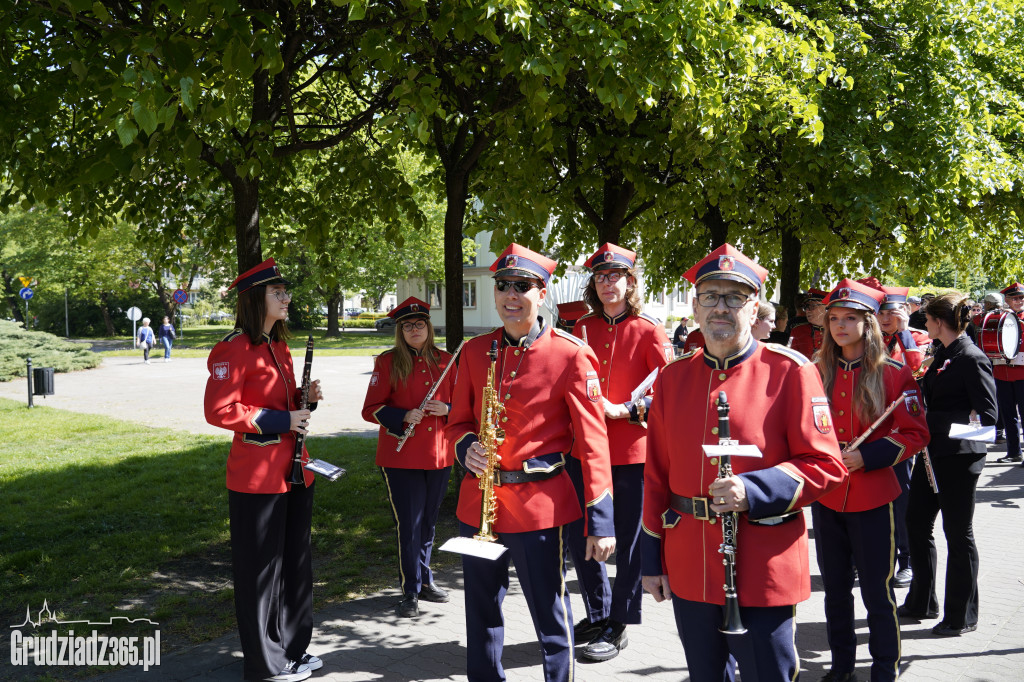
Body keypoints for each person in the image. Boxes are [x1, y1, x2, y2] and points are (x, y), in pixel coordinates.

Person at [642, 243, 847, 682]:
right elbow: (655, 474)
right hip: (689, 560)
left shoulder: (790, 371)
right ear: (695, 308)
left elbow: (827, 465)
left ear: (754, 308)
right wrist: (650, 559)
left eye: (734, 297)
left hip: (761, 563)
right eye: (711, 296)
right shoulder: (673, 377)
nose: (721, 307)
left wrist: (753, 491)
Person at [446, 243, 615, 682]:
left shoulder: (571, 354)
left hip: (540, 507)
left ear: (543, 293)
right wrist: (466, 447)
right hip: (478, 501)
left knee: (550, 614)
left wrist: (601, 521)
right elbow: (456, 421)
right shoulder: (473, 350)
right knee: (480, 611)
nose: (510, 296)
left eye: (522, 286)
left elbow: (594, 443)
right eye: (502, 286)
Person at [204, 258, 324, 682]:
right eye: (278, 293)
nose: (286, 298)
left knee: (294, 564)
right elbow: (219, 410)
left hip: (295, 471)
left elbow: (279, 401)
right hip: (256, 478)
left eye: (285, 291)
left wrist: (302, 397)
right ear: (257, 299)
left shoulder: (279, 344)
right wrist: (281, 420)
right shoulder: (233, 348)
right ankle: (265, 664)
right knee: (261, 573)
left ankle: (293, 648)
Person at [813, 279, 930, 682]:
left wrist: (867, 455)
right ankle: (841, 666)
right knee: (835, 593)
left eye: (849, 318)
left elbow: (916, 433)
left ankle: (884, 669)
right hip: (828, 497)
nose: (839, 326)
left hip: (876, 496)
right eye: (833, 319)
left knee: (877, 594)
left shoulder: (894, 374)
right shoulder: (815, 372)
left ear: (868, 323)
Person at [569, 243, 672, 662]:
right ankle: (597, 611)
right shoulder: (581, 328)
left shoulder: (649, 329)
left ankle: (620, 621)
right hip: (583, 449)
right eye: (600, 277)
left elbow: (667, 388)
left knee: (627, 541)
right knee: (583, 535)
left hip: (632, 450)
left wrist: (628, 409)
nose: (607, 283)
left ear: (631, 282)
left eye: (616, 276)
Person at [900, 293, 997, 637]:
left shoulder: (971, 358)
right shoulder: (940, 352)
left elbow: (988, 421)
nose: (924, 324)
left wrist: (933, 420)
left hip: (960, 458)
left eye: (927, 319)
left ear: (939, 322)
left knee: (958, 534)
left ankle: (962, 615)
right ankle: (922, 601)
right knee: (915, 522)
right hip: (933, 453)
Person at [362, 297, 455, 618]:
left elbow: (466, 405)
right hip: (401, 458)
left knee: (429, 523)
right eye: (407, 326)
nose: (414, 330)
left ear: (428, 327)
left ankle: (426, 580)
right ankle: (410, 589)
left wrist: (448, 409)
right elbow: (370, 409)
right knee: (410, 525)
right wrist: (403, 415)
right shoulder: (387, 362)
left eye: (419, 324)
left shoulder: (446, 361)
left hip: (439, 455)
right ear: (399, 331)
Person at [874, 284, 932, 589]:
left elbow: (913, 369)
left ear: (905, 312)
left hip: (900, 437)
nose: (885, 318)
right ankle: (873, 560)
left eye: (892, 312)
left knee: (902, 501)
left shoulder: (917, 338)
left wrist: (905, 331)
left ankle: (906, 561)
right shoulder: (869, 340)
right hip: (869, 432)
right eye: (880, 312)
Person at [991, 283, 1024, 464]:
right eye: (1014, 298)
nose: (1018, 301)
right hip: (1002, 373)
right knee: (1008, 414)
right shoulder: (999, 318)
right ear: (1007, 300)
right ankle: (1013, 452)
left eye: (1021, 298)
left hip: (1022, 374)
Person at [789, 288, 828, 360]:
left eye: (812, 306)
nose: (807, 310)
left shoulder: (836, 331)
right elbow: (792, 360)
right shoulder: (798, 331)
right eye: (806, 307)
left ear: (826, 307)